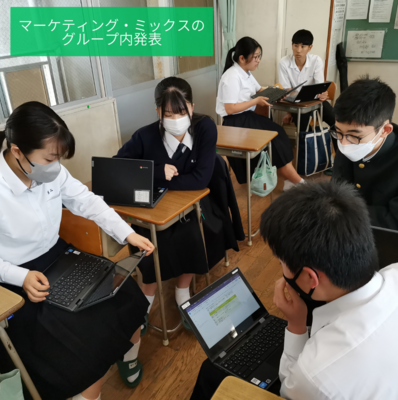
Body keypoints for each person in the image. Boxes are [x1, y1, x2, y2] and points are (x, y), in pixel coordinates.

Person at [0, 101, 155, 400]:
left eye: (59, 158)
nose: (56, 166)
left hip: (58, 256)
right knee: (80, 352)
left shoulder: (48, 171)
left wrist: (128, 233)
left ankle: (128, 356)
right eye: (49, 158)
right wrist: (20, 277)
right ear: (17, 151)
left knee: (129, 299)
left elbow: (87, 201)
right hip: (18, 278)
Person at [192, 181, 398, 400]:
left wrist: (297, 325)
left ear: (310, 278)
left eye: (281, 262)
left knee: (210, 371)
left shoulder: (313, 377)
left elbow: (289, 388)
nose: (281, 268)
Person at [116, 76, 217, 332]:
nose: (175, 119)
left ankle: (182, 292)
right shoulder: (144, 136)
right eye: (168, 114)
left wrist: (157, 182)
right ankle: (146, 298)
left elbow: (201, 179)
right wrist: (155, 172)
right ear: (157, 111)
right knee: (151, 242)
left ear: (192, 107)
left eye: (181, 112)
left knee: (190, 232)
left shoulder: (205, 127)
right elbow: (117, 168)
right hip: (154, 209)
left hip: (193, 205)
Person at [216, 36, 304, 191]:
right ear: (242, 58)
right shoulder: (232, 76)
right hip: (235, 122)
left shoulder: (246, 73)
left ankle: (290, 180)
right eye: (255, 57)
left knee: (279, 133)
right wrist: (256, 101)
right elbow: (230, 109)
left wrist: (277, 94)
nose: (258, 61)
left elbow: (259, 90)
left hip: (247, 118)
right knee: (275, 140)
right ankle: (299, 183)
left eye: (259, 57)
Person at [331, 76, 398, 230]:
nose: (344, 143)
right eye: (338, 132)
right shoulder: (348, 140)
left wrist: (339, 213)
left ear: (385, 130)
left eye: (355, 136)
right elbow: (337, 190)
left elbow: (394, 219)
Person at [279, 29, 335, 130]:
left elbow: (320, 87)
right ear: (292, 45)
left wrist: (323, 94)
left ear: (310, 47)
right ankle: (306, 139)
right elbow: (286, 90)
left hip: (315, 101)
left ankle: (338, 139)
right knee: (303, 128)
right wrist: (289, 112)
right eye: (296, 45)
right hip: (297, 104)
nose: (298, 50)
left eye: (303, 46)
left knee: (336, 121)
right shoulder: (284, 62)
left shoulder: (316, 61)